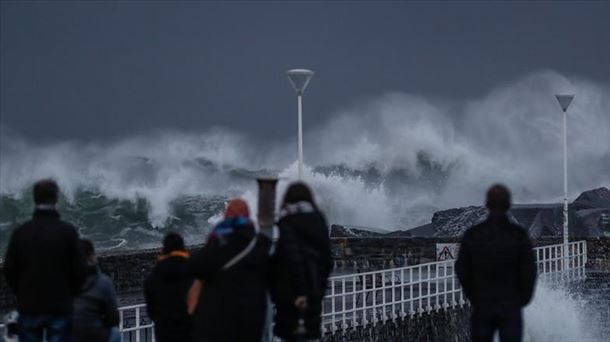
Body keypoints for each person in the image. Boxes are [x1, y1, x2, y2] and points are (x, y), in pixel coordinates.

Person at [4, 179, 87, 342]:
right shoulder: (67, 232)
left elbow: (9, 269)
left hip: (29, 306)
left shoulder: (21, 232)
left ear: (34, 199)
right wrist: (71, 294)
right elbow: (80, 270)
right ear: (56, 199)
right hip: (60, 306)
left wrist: (22, 292)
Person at [456, 184, 537, 342]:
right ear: (508, 205)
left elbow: (461, 269)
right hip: (511, 304)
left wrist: (473, 295)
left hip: (482, 304)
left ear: (487, 204)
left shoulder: (474, 234)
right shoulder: (518, 235)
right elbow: (530, 270)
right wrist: (523, 299)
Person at [189, 198, 271, 341]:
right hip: (250, 326)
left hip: (218, 326)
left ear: (226, 216)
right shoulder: (261, 245)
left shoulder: (219, 242)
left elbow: (195, 266)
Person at [270, 182, 332, 340]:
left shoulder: (289, 221)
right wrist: (319, 288)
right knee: (308, 334)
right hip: (314, 292)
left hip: (292, 295)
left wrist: (296, 292)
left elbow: (292, 258)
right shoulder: (319, 220)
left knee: (292, 334)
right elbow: (327, 260)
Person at [144, 232, 194, 342]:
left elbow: (151, 311)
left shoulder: (152, 279)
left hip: (164, 332)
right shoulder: (194, 275)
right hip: (190, 332)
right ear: (183, 249)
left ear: (164, 249)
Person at [73, 239, 121, 342]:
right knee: (115, 332)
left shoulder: (60, 281)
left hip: (65, 335)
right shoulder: (102, 281)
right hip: (94, 336)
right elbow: (113, 318)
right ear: (91, 256)